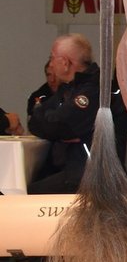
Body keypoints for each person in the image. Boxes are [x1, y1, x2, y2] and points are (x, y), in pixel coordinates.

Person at [26, 33, 103, 194]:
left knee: (27, 195)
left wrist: (55, 125)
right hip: (70, 168)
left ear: (66, 63)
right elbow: (35, 120)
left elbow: (62, 126)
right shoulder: (68, 88)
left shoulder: (93, 89)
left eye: (52, 58)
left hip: (89, 173)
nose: (51, 65)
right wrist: (52, 121)